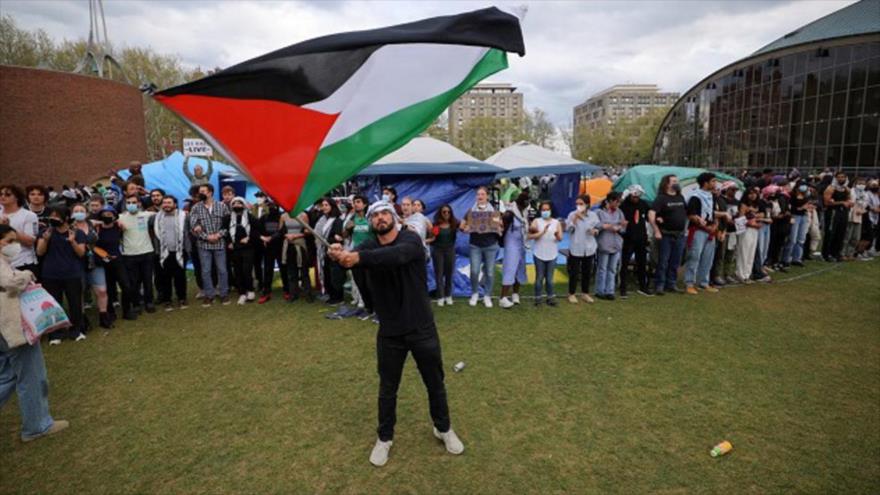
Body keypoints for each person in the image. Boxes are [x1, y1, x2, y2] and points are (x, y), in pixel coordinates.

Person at [328, 201, 463, 467]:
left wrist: (357, 258)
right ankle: (384, 438)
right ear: (371, 222)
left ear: (394, 217)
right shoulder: (367, 246)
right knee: (387, 388)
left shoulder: (410, 239)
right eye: (375, 215)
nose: (380, 218)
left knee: (435, 383)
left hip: (421, 326)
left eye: (384, 213)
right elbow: (356, 261)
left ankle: (444, 428)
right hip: (389, 330)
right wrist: (341, 255)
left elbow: (396, 256)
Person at [0, 224, 70, 442]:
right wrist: (27, 274)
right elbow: (9, 282)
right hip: (12, 326)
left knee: (8, 374)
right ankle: (38, 425)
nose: (14, 246)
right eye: (8, 241)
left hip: (5, 328)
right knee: (32, 375)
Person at [35, 205, 88, 343]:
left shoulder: (77, 233)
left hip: (72, 273)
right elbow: (40, 252)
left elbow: (81, 253)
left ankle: (77, 330)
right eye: (51, 216)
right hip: (50, 274)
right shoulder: (45, 232)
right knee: (54, 305)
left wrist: (72, 242)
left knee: (75, 303)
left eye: (57, 216)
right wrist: (46, 240)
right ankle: (56, 334)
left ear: (65, 218)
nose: (54, 219)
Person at [71, 203, 112, 329]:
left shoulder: (92, 224)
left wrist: (116, 223)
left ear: (87, 213)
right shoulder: (70, 227)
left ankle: (104, 316)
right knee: (80, 291)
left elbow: (109, 220)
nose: (79, 213)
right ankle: (82, 319)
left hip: (94, 261)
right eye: (76, 210)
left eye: (81, 210)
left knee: (101, 290)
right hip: (76, 262)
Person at [189, 184, 231, 306]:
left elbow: (228, 224)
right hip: (203, 245)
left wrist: (218, 235)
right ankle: (209, 295)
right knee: (206, 270)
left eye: (203, 191)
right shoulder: (196, 207)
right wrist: (206, 237)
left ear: (210, 192)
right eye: (199, 191)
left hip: (220, 243)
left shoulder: (222, 206)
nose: (200, 193)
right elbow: (193, 225)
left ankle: (224, 294)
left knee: (222, 270)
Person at [460, 187, 501, 308]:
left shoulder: (493, 211)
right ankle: (475, 293)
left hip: (490, 245)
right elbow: (462, 226)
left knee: (489, 272)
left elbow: (499, 226)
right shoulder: (470, 212)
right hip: (475, 246)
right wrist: (466, 229)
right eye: (478, 194)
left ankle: (487, 295)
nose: (480, 196)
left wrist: (497, 227)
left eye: (482, 194)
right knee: (474, 271)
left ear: (487, 196)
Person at [649, 175, 688, 295]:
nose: (677, 183)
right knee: (663, 261)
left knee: (675, 261)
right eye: (674, 181)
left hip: (680, 235)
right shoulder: (661, 198)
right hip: (665, 234)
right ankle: (659, 285)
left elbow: (685, 213)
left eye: (677, 181)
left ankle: (671, 284)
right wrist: (656, 230)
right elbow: (651, 214)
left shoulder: (680, 197)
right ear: (667, 184)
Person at [119, 194, 157, 313]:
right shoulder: (120, 217)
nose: (131, 205)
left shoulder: (147, 215)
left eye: (134, 202)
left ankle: (149, 302)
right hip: (129, 254)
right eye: (128, 203)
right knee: (133, 281)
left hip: (147, 252)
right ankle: (136, 303)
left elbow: (162, 213)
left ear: (139, 203)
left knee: (148, 279)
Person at [684, 172, 720, 295]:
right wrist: (701, 222)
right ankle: (689, 283)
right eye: (713, 181)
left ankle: (703, 282)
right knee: (694, 256)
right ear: (706, 183)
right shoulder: (695, 196)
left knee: (708, 258)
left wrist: (715, 225)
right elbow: (691, 214)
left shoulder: (712, 196)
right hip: (698, 230)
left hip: (710, 230)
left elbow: (714, 212)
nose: (715, 184)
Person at [153, 195, 189, 310]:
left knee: (180, 277)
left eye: (169, 203)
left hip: (180, 251)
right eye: (164, 203)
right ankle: (167, 300)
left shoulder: (184, 216)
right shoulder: (156, 217)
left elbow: (188, 232)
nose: (166, 205)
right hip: (164, 252)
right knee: (165, 278)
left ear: (175, 204)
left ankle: (182, 298)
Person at [222, 197, 257, 305]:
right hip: (234, 249)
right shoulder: (227, 218)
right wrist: (228, 243)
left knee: (247, 270)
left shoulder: (250, 217)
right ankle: (242, 293)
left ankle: (250, 290)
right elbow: (224, 231)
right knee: (237, 271)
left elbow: (257, 230)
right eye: (234, 203)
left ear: (243, 205)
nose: (237, 205)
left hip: (248, 248)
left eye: (239, 203)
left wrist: (249, 238)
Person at [0, 184, 40, 278]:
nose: (3, 196)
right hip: (3, 265)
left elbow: (30, 241)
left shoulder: (28, 215)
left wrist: (9, 228)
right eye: (1, 194)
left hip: (23, 264)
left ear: (17, 197)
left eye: (7, 194)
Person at [565, 194, 599, 304]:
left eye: (581, 204)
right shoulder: (572, 215)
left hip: (589, 247)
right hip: (576, 247)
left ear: (587, 205)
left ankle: (585, 293)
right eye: (577, 204)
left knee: (587, 272)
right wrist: (575, 219)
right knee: (574, 272)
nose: (578, 206)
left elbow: (596, 227)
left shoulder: (593, 215)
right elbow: (568, 230)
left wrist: (595, 231)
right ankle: (571, 293)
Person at [619, 185, 652, 298]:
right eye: (634, 196)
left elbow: (649, 216)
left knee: (642, 263)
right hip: (628, 238)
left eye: (638, 196)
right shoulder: (623, 206)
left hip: (641, 237)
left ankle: (643, 286)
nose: (636, 199)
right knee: (625, 263)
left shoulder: (643, 204)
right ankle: (623, 287)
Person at [528, 200, 562, 306]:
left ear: (551, 210)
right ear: (540, 211)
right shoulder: (536, 221)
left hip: (552, 254)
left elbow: (560, 238)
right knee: (539, 277)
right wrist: (542, 232)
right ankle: (538, 298)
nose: (545, 211)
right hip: (539, 254)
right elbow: (530, 236)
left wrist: (556, 235)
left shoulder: (556, 222)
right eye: (543, 210)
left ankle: (550, 298)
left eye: (547, 210)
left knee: (550, 279)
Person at [499, 193, 529, 308]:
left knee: (520, 268)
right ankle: (503, 298)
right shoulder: (509, 214)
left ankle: (515, 294)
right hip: (511, 244)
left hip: (521, 243)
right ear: (518, 204)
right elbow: (502, 230)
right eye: (522, 206)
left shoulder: (524, 212)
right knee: (510, 268)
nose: (524, 208)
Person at [595, 192, 627, 300]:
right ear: (610, 201)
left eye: (619, 202)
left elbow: (623, 228)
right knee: (602, 268)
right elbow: (596, 225)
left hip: (616, 243)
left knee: (612, 269)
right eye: (616, 201)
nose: (618, 204)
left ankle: (610, 290)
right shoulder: (599, 212)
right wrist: (607, 226)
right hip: (604, 243)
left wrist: (620, 227)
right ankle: (600, 290)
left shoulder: (619, 212)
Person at [345, 195, 372, 310]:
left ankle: (373, 304)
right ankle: (363, 302)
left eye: (358, 202)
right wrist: (347, 229)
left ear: (365, 204)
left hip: (370, 253)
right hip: (356, 253)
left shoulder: (370, 218)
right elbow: (344, 236)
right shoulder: (352, 219)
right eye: (354, 202)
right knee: (359, 280)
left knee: (370, 280)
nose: (355, 204)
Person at [257, 199, 287, 304]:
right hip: (267, 248)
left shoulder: (282, 217)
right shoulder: (263, 218)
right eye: (270, 205)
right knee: (268, 270)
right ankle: (266, 292)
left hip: (280, 247)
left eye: (274, 205)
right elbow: (257, 230)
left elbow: (282, 230)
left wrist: (271, 238)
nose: (272, 207)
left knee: (283, 268)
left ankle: (287, 290)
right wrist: (263, 238)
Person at [280, 207, 313, 303]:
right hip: (288, 245)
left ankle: (308, 294)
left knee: (304, 271)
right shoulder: (283, 216)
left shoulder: (303, 215)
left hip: (300, 245)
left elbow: (308, 231)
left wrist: (296, 235)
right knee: (291, 271)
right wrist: (287, 235)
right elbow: (281, 231)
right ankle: (293, 294)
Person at [317, 197, 345, 305]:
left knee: (335, 274)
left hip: (335, 251)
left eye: (326, 205)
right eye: (323, 205)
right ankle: (332, 295)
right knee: (328, 273)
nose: (323, 207)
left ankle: (338, 297)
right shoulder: (324, 219)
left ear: (332, 206)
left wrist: (325, 240)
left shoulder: (337, 220)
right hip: (325, 251)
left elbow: (337, 237)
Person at [822, 171, 852, 262]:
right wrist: (842, 202)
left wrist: (849, 203)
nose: (841, 179)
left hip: (843, 212)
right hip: (833, 212)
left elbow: (849, 200)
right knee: (831, 233)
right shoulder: (831, 188)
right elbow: (826, 202)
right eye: (839, 177)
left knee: (841, 233)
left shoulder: (846, 189)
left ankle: (836, 253)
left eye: (843, 177)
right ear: (836, 178)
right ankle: (827, 254)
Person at [735, 188, 762, 284]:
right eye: (750, 193)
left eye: (754, 193)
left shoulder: (756, 206)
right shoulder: (743, 205)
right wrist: (752, 224)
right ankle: (740, 274)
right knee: (744, 252)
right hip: (746, 231)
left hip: (755, 230)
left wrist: (757, 222)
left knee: (751, 252)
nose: (753, 195)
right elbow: (740, 220)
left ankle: (747, 274)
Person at [783, 181, 812, 267]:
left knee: (801, 238)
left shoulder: (806, 195)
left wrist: (808, 208)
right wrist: (801, 208)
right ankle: (786, 258)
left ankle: (797, 258)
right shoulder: (792, 196)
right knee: (792, 238)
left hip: (804, 216)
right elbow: (792, 208)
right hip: (795, 216)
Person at [843, 177, 869, 260]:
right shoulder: (851, 191)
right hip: (851, 214)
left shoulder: (865, 194)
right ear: (855, 184)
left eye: (863, 183)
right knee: (847, 236)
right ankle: (843, 253)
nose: (861, 185)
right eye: (859, 183)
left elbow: (866, 205)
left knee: (856, 237)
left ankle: (850, 253)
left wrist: (862, 211)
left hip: (859, 215)